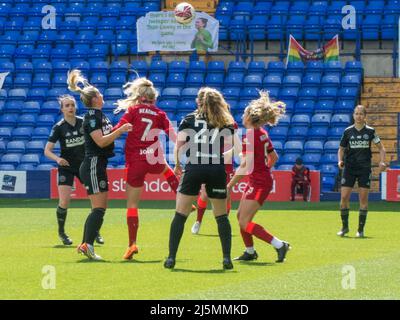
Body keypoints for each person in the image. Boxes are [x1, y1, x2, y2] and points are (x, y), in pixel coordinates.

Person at [113, 77, 187, 260]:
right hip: (153, 157)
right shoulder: (160, 114)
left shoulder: (133, 111)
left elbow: (117, 129)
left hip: (135, 161)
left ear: (139, 97)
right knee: (166, 169)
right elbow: (174, 138)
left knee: (132, 205)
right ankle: (184, 200)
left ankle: (132, 244)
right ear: (154, 98)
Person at [164, 87, 236, 270]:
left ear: (199, 102)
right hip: (216, 169)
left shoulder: (188, 119)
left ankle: (171, 258)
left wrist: (178, 165)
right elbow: (236, 148)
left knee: (180, 214)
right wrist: (220, 158)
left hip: (194, 167)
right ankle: (226, 259)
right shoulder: (224, 120)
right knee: (221, 216)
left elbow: (179, 146)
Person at [67, 69, 132, 260]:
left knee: (99, 208)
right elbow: (101, 141)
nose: (103, 96)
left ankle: (86, 244)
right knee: (99, 208)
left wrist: (120, 126)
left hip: (98, 164)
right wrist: (120, 131)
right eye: (100, 94)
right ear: (95, 98)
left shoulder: (99, 115)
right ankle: (87, 245)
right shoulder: (93, 117)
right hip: (93, 164)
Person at [227, 91, 291, 263]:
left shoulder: (250, 135)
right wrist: (264, 169)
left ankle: (279, 245)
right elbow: (274, 158)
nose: (242, 115)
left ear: (249, 116)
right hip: (259, 180)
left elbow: (245, 165)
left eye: (245, 112)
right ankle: (250, 252)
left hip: (259, 183)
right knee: (240, 217)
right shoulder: (261, 132)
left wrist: (229, 186)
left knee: (244, 222)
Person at [337, 105, 386, 238]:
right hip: (349, 168)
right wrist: (340, 161)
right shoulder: (347, 131)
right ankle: (345, 227)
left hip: (364, 168)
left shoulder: (370, 131)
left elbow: (381, 148)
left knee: (363, 199)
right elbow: (341, 149)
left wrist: (382, 161)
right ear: (353, 115)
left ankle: (360, 230)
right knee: (343, 198)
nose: (358, 116)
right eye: (356, 113)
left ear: (365, 116)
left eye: (361, 114)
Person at [44, 95, 85, 245]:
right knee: (64, 201)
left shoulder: (83, 122)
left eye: (72, 105)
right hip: (66, 167)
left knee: (95, 198)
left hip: (83, 166)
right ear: (62, 109)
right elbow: (47, 150)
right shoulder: (58, 127)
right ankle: (62, 233)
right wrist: (57, 159)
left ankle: (95, 230)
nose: (70, 108)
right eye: (67, 105)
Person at [191, 123, 242, 235]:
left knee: (226, 195)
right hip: (209, 161)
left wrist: (226, 154)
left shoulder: (231, 125)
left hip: (226, 163)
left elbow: (237, 145)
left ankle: (224, 224)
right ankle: (198, 221)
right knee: (204, 194)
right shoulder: (209, 121)